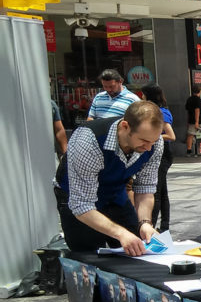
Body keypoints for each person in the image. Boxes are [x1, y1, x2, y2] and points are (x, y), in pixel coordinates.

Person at [53, 100, 164, 256]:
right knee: (89, 255)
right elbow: (81, 205)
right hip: (75, 197)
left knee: (137, 247)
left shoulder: (155, 142)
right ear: (125, 127)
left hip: (115, 193)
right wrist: (120, 233)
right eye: (144, 141)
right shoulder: (88, 139)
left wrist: (145, 222)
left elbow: (145, 188)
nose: (148, 148)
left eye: (153, 141)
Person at [139, 84, 175, 233]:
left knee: (157, 191)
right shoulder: (159, 111)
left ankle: (152, 224)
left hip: (162, 154)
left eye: (143, 95)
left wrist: (152, 136)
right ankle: (164, 226)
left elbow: (171, 135)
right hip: (159, 153)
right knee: (162, 191)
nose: (141, 98)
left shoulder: (160, 112)